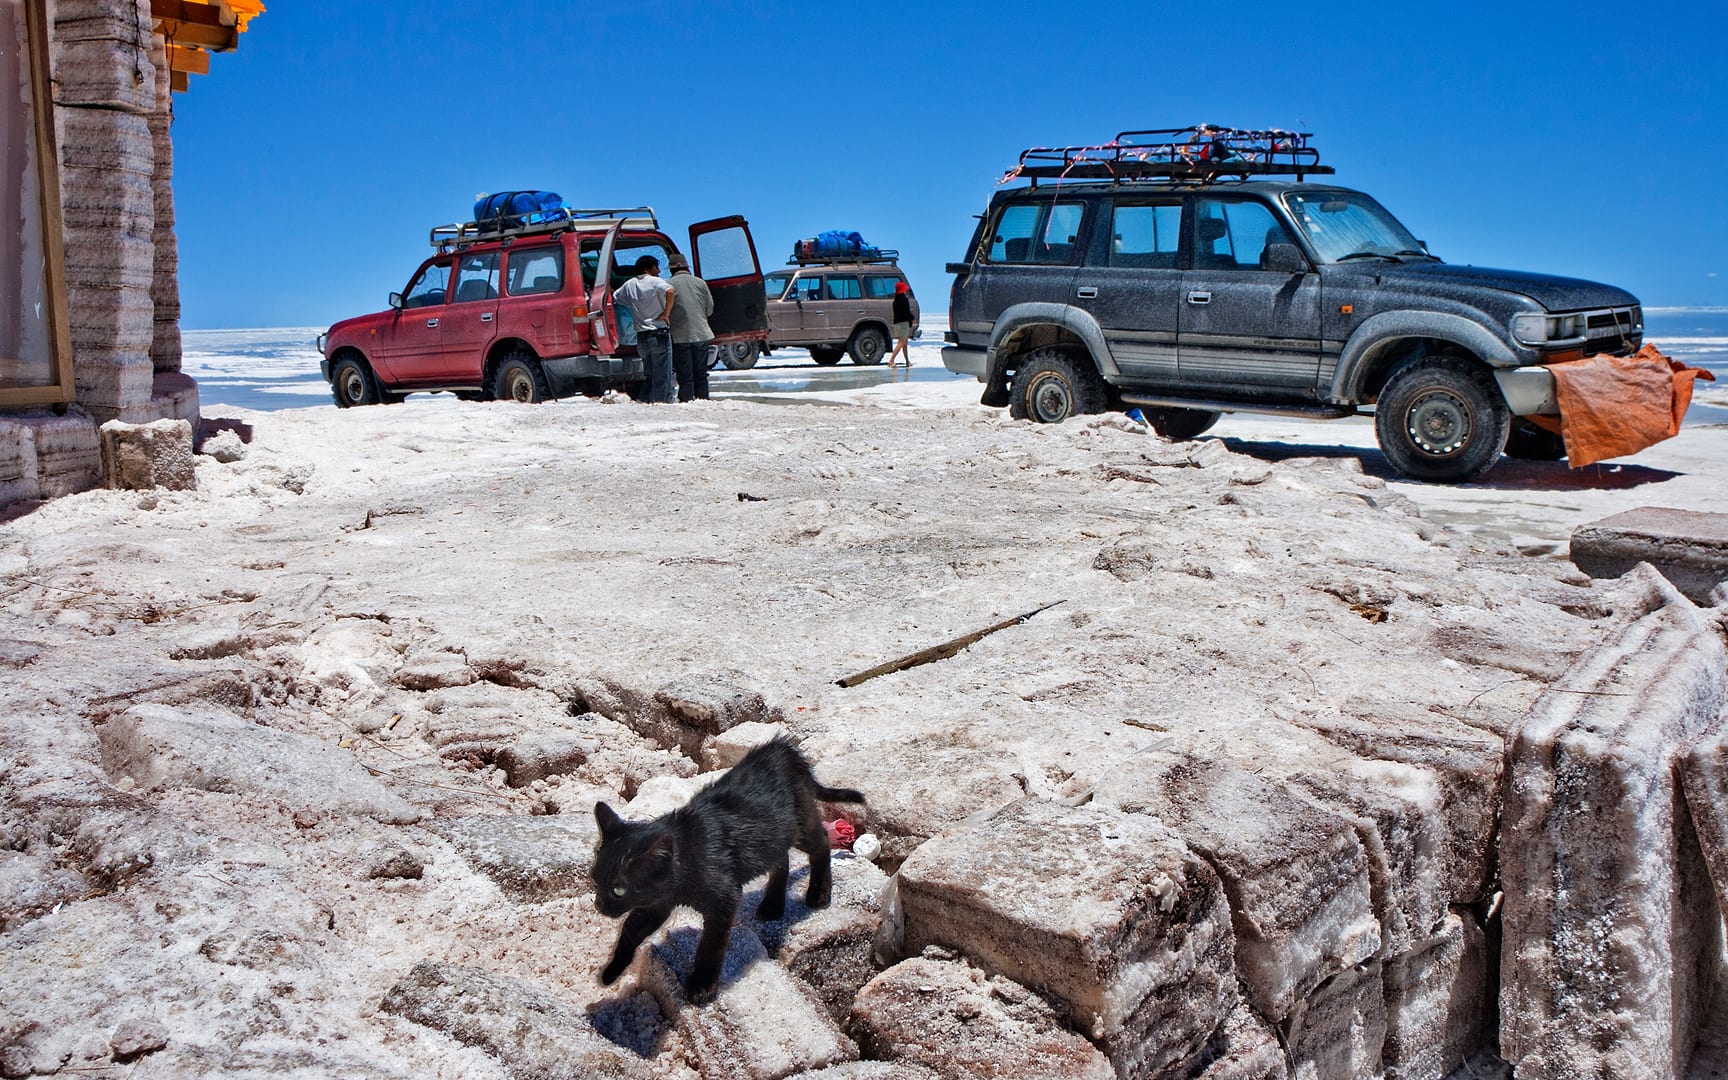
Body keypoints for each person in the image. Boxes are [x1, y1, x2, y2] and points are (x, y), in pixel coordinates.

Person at [613, 255, 676, 403]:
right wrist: (666, 313)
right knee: (662, 373)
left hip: (641, 336)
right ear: (647, 269)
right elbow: (670, 291)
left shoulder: (630, 284)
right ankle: (660, 402)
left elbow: (616, 297)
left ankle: (644, 400)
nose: (659, 270)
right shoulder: (656, 282)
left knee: (649, 373)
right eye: (656, 267)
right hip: (659, 332)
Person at [666, 253, 714, 401]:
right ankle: (703, 400)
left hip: (680, 336)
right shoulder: (700, 283)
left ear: (671, 270)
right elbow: (710, 308)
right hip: (702, 333)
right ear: (687, 267)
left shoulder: (668, 285)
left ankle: (687, 401)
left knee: (685, 374)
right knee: (701, 372)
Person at [888, 280, 914, 368]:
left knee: (904, 342)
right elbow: (907, 312)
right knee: (901, 342)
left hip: (897, 323)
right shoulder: (904, 299)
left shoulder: (895, 300)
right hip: (903, 323)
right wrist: (912, 319)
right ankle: (891, 360)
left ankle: (907, 361)